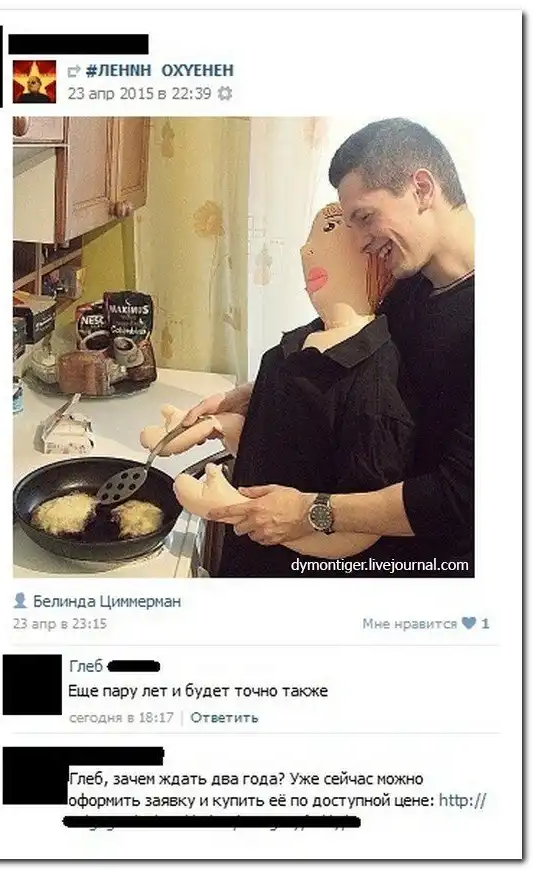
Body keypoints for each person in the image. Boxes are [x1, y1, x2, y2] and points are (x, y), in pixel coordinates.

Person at [186, 118, 474, 577]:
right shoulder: (410, 283)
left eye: (365, 217)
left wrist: (311, 511)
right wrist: (253, 394)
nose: (360, 242)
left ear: (422, 189)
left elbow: (459, 496)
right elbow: (351, 358)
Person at [182, 200, 415, 577]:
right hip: (245, 563)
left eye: (329, 230)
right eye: (309, 238)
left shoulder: (373, 384)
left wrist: (238, 512)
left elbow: (362, 527)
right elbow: (286, 449)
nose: (306, 250)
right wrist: (220, 425)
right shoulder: (294, 348)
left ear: (376, 250)